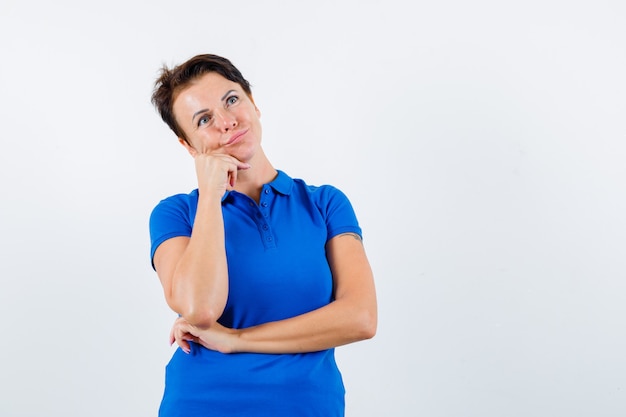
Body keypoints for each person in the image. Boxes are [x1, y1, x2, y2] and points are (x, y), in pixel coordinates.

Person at [149, 53, 377, 417]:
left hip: (306, 406)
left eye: (232, 100)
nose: (226, 122)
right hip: (202, 404)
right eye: (204, 119)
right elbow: (201, 309)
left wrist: (236, 340)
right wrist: (210, 196)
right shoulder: (177, 214)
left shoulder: (324, 204)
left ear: (253, 103)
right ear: (189, 146)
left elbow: (360, 318)